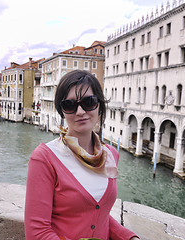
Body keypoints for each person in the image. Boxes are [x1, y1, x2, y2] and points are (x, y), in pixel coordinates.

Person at [25, 70, 139, 240]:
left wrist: (129, 237)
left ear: (99, 105)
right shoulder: (44, 158)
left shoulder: (111, 155)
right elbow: (37, 233)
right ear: (62, 111)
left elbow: (101, 214)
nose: (79, 111)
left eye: (88, 102)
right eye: (69, 105)